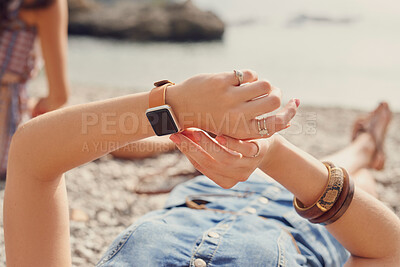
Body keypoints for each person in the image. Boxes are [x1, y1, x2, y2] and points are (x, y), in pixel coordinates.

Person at [3, 70, 400, 266]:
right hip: (309, 218)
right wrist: (273, 153)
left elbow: (32, 157)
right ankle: (366, 145)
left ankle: (364, 146)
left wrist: (173, 106)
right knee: (359, 180)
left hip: (202, 196)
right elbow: (385, 250)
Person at [0, 0, 70, 179]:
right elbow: (59, 96)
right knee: (89, 131)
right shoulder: (43, 4)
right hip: (5, 140)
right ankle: (152, 146)